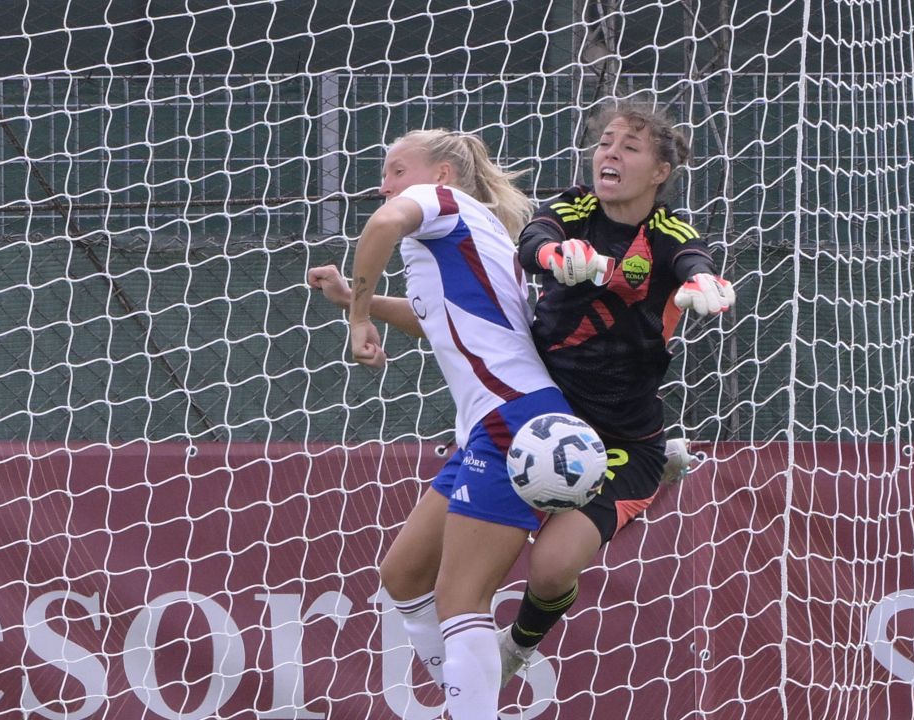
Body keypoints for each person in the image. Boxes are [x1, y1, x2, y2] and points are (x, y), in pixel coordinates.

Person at [313, 128, 577, 720]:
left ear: (441, 175)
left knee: (463, 599)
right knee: (404, 575)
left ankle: (473, 708)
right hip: (493, 423)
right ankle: (467, 702)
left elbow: (381, 227)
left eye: (396, 169)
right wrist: (357, 301)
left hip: (514, 420)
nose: (385, 185)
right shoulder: (471, 226)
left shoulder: (442, 204)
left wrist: (357, 316)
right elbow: (436, 318)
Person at [496, 98, 735, 684]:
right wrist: (556, 254)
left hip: (622, 436)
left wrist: (705, 281)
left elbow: (693, 259)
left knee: (550, 570)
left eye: (629, 147)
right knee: (475, 550)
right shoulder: (575, 207)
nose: (610, 153)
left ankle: (518, 646)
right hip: (541, 412)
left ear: (660, 172)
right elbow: (535, 238)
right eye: (605, 142)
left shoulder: (666, 231)